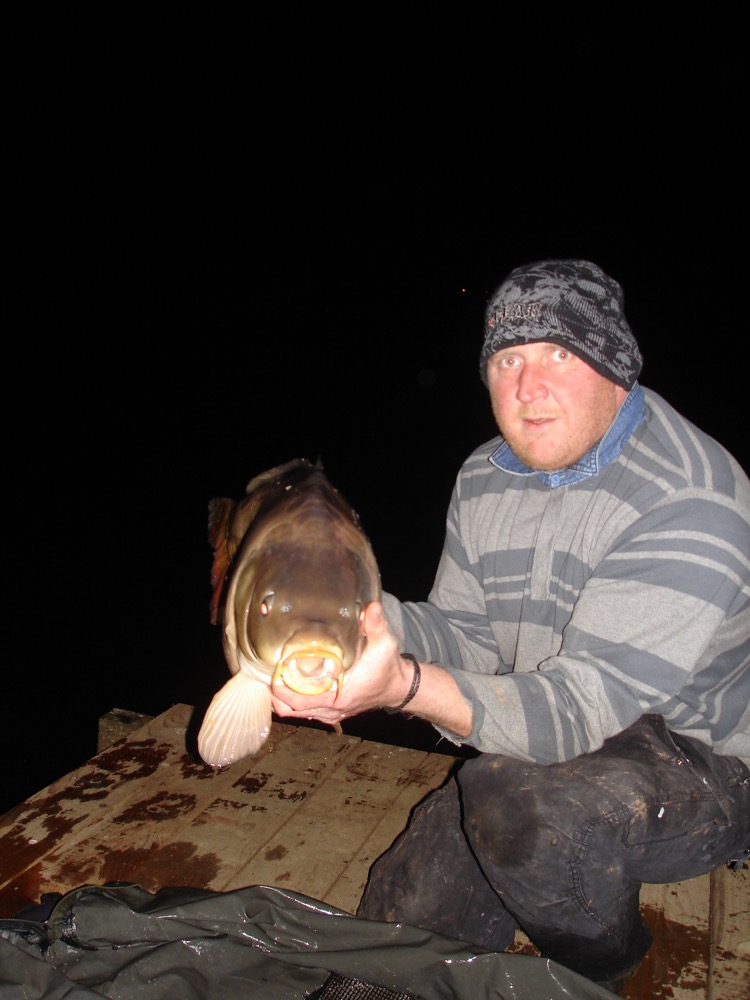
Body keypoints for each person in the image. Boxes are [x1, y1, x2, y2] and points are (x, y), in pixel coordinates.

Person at [271, 259, 750, 993]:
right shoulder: (486, 476)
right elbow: (469, 633)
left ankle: (600, 964)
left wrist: (399, 684)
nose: (528, 387)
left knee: (519, 812)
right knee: (405, 916)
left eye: (561, 354)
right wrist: (350, 624)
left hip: (705, 760)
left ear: (615, 365)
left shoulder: (691, 495)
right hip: (553, 724)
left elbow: (579, 707)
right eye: (507, 360)